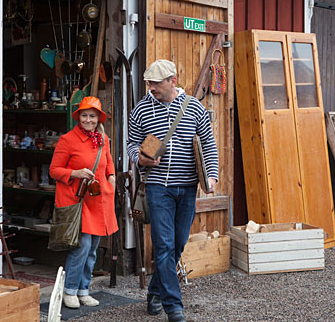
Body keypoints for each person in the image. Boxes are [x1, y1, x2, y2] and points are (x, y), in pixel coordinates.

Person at [127, 59, 219, 322]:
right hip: (157, 188)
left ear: (172, 81)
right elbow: (132, 144)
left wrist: (211, 175)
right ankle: (173, 306)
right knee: (164, 246)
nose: (151, 87)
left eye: (156, 83)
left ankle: (155, 291)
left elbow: (209, 146)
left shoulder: (194, 109)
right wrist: (140, 159)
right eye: (148, 83)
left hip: (188, 188)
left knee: (177, 243)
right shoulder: (141, 110)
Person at [49, 96, 117, 309]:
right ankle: (69, 290)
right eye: (85, 115)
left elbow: (108, 163)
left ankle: (83, 290)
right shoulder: (67, 140)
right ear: (79, 117)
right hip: (77, 199)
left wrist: (112, 177)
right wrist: (75, 172)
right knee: (82, 246)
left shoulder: (103, 139)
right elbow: (54, 170)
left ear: (99, 119)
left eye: (92, 116)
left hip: (98, 199)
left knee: (93, 248)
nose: (88, 120)